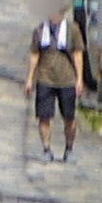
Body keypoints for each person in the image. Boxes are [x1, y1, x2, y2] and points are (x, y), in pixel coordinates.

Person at [26, 14, 86, 160]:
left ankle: (69, 148)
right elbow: (35, 54)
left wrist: (79, 78)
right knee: (44, 115)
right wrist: (30, 79)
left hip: (67, 79)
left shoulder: (72, 30)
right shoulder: (40, 30)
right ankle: (46, 148)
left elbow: (78, 54)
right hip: (45, 78)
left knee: (69, 117)